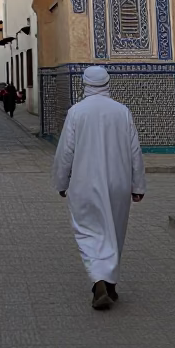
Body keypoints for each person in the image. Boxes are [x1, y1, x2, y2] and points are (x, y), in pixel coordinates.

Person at [52, 65, 145, 311]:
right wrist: (138, 185)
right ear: (107, 83)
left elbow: (65, 152)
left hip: (84, 184)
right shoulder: (121, 111)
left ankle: (100, 282)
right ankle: (109, 283)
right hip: (119, 184)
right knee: (113, 231)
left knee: (88, 232)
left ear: (85, 83)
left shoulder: (76, 112)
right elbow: (135, 151)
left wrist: (61, 182)